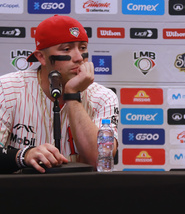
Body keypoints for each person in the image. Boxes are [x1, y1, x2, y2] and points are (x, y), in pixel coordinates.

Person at [0, 15, 119, 173]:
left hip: (80, 193)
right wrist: (24, 155)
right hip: (21, 192)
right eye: (66, 49)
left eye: (82, 48)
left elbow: (99, 160)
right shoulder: (6, 88)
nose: (78, 58)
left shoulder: (104, 97)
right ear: (41, 57)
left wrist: (72, 95)